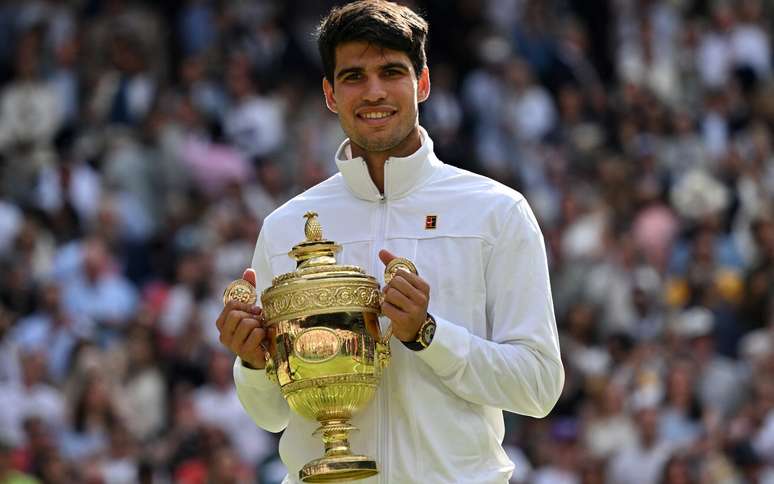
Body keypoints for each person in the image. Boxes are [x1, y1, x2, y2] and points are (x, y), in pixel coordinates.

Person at [214, 1, 564, 482]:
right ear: (330, 93)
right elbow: (272, 415)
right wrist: (252, 363)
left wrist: (429, 334)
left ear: (422, 83)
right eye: (354, 76)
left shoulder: (497, 212)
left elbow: (539, 387)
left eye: (391, 71)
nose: (373, 91)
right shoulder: (285, 227)